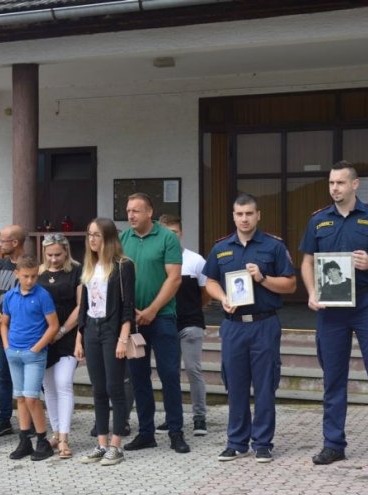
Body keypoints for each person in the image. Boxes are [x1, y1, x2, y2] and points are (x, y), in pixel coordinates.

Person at [300, 160, 368, 469]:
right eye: (331, 183)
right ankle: (333, 444)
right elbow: (307, 262)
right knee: (333, 378)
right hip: (332, 309)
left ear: (355, 185)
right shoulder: (318, 221)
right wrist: (310, 291)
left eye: (340, 183)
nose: (334, 188)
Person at [203, 193, 296, 464]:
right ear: (233, 216)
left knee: (265, 385)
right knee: (236, 385)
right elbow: (210, 281)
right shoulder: (221, 248)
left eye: (249, 214)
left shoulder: (273, 247)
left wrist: (262, 278)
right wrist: (222, 298)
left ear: (258, 216)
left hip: (264, 324)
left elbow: (290, 285)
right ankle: (236, 442)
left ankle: (263, 442)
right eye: (239, 214)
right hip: (233, 327)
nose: (244, 219)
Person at [119, 193, 190, 454]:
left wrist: (151, 309)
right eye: (128, 211)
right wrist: (130, 312)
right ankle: (146, 433)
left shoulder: (167, 238)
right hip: (133, 321)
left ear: (149, 212)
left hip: (162, 318)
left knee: (169, 375)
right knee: (138, 377)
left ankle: (176, 432)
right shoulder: (122, 239)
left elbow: (174, 279)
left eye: (136, 211)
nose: (131, 215)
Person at [75, 218, 135, 466]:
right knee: (98, 389)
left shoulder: (123, 266)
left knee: (114, 388)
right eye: (89, 235)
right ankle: (101, 443)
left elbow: (128, 307)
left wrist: (123, 338)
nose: (92, 240)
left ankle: (116, 445)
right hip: (91, 329)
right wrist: (79, 338)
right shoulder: (90, 265)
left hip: (113, 331)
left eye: (97, 235)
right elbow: (83, 306)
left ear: (108, 238)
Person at [2, 255, 59, 461]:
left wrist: (37, 348)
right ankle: (24, 439)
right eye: (26, 276)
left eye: (34, 276)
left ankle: (42, 441)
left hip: (34, 354)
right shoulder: (9, 296)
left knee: (33, 397)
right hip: (14, 352)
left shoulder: (43, 295)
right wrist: (6, 345)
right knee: (21, 398)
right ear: (17, 274)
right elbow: (4, 323)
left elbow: (54, 325)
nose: (30, 280)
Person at [159, 214, 211, 436]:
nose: (171, 237)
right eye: (167, 233)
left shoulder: (196, 260)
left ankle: (199, 417)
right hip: (165, 323)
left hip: (190, 323)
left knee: (192, 369)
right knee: (169, 372)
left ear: (181, 233)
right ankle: (172, 417)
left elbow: (206, 292)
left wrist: (193, 308)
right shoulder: (157, 261)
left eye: (175, 232)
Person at [37, 233, 82, 458]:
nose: (54, 259)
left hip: (67, 335)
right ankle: (55, 432)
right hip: (44, 337)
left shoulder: (76, 271)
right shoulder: (38, 273)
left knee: (63, 383)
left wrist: (62, 330)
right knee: (49, 388)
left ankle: (64, 437)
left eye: (58, 254)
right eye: (49, 255)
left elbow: (80, 305)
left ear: (66, 252)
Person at [0, 225, 26, 438]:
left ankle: (32, 419)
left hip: (23, 333)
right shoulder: (1, 264)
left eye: (3, 240)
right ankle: (4, 419)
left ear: (15, 243)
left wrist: (10, 321)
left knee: (31, 378)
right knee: (4, 377)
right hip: (1, 332)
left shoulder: (30, 265)